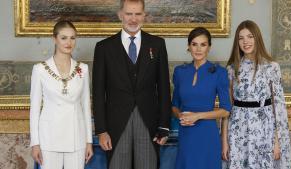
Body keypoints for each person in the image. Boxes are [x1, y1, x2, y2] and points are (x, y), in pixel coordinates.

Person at [92, 0, 172, 168]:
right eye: (129, 14)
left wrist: (164, 126)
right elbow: (98, 93)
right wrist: (101, 130)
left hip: (149, 125)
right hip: (116, 127)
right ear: (120, 15)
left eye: (137, 14)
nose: (133, 19)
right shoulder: (104, 47)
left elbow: (164, 89)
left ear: (144, 15)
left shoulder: (157, 45)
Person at [222, 20, 291, 169]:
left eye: (250, 36)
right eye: (241, 38)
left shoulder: (271, 67)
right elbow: (227, 110)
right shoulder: (231, 68)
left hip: (264, 130)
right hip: (237, 130)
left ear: (257, 38)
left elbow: (278, 109)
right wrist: (224, 142)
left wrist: (277, 142)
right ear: (237, 42)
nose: (245, 41)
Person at [30, 20, 93, 169]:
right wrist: (35, 143)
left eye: (72, 38)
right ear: (54, 39)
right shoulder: (40, 69)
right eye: (64, 38)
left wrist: (88, 141)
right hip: (49, 138)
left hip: (76, 137)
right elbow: (34, 109)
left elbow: (85, 106)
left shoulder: (82, 69)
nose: (68, 42)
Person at [172, 27, 231, 169]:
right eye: (194, 44)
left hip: (207, 134)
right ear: (188, 46)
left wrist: (197, 116)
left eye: (203, 44)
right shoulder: (180, 72)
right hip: (186, 133)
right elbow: (174, 105)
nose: (198, 49)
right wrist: (180, 115)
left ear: (209, 47)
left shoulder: (219, 72)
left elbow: (225, 110)